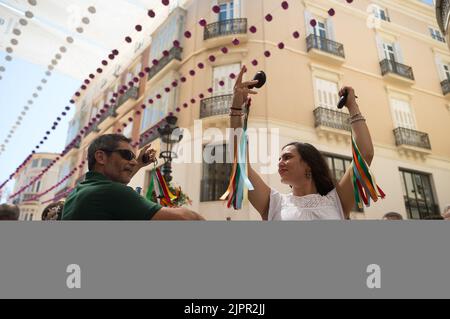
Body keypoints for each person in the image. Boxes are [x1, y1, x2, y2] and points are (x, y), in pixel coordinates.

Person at [230, 66, 375, 220]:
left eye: (286, 157)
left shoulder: (337, 200)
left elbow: (365, 154)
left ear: (308, 164)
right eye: (279, 159)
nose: (280, 163)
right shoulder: (273, 203)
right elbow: (241, 164)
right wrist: (236, 107)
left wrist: (352, 106)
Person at [61, 134, 204, 220]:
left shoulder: (75, 194)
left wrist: (140, 163)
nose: (134, 161)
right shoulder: (110, 192)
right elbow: (188, 219)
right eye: (127, 155)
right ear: (101, 157)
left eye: (135, 157)